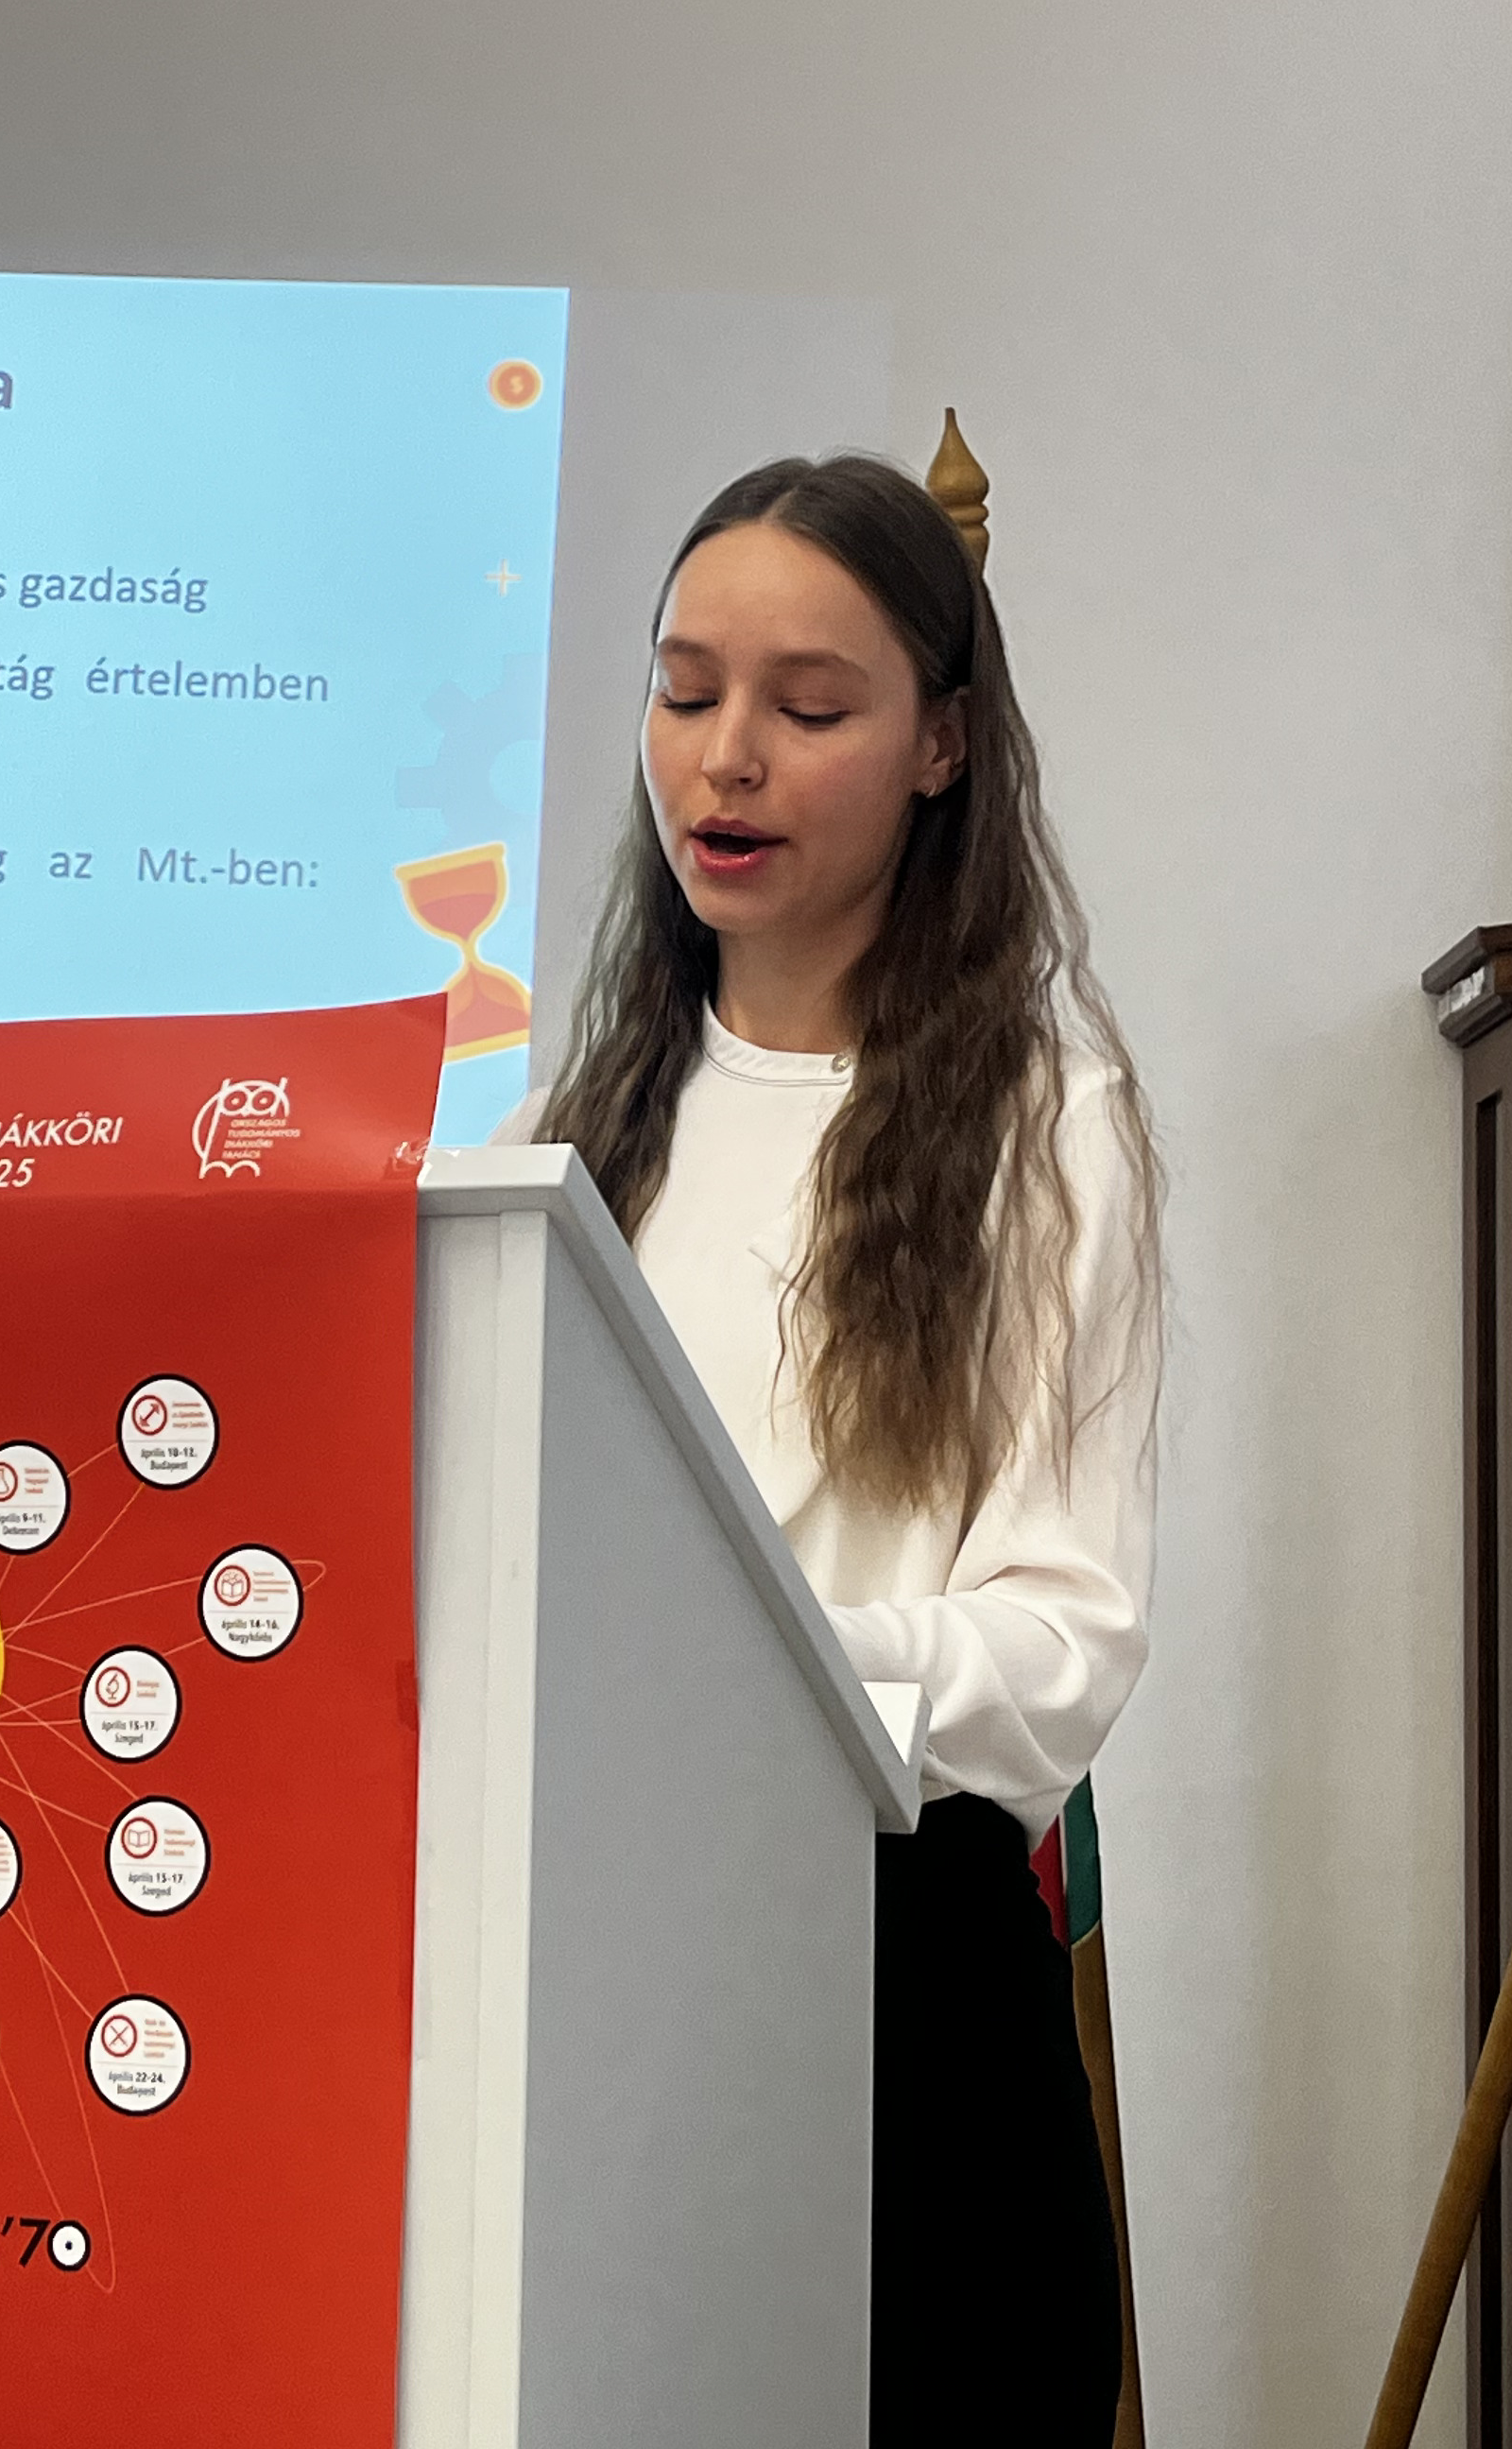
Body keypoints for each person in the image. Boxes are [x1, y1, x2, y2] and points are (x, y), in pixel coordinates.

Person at [507, 453, 1159, 2445]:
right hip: (592, 1984)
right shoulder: (563, 1140)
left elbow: (1061, 1648)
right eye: (684, 691)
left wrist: (751, 1663)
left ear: (942, 743)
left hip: (903, 1984)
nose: (726, 759)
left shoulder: (1043, 1124)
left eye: (806, 707)